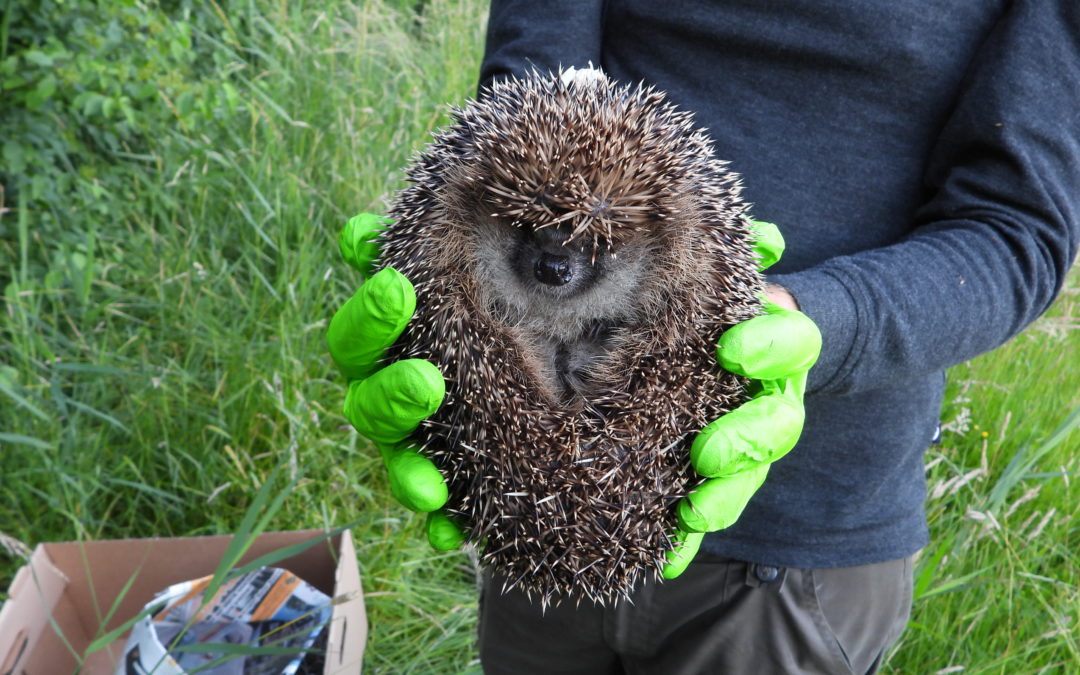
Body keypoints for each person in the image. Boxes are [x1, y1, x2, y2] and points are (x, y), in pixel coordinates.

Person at [330, 1, 1080, 672]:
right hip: (526, 504)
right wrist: (477, 221)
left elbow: (1017, 225)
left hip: (806, 539)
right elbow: (539, 72)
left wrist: (812, 318)